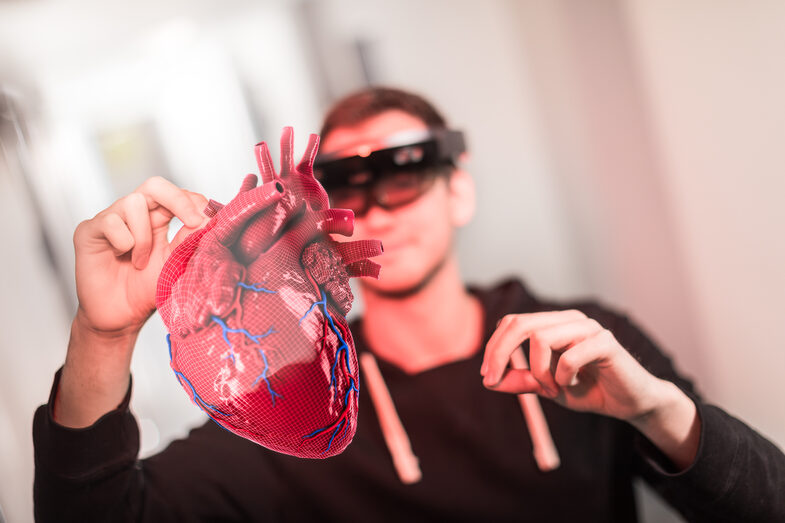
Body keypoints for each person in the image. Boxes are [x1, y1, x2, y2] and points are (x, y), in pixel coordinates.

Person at [33, 87, 785, 522]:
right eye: (344, 185)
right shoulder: (298, 397)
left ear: (459, 187)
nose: (374, 210)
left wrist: (658, 413)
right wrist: (103, 333)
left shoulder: (585, 346)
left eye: (404, 173)